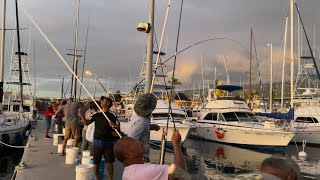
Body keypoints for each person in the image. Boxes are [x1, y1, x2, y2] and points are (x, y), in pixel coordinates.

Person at [114, 129, 186, 180]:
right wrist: (176, 144)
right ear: (129, 155)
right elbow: (179, 171)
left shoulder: (127, 172)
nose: (137, 141)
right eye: (133, 141)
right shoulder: (146, 171)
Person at [79, 96, 119, 180]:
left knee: (109, 161)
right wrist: (81, 115)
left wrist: (114, 125)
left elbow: (118, 128)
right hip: (97, 141)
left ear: (108, 103)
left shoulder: (112, 115)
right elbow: (87, 123)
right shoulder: (96, 114)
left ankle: (111, 178)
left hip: (108, 141)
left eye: (103, 101)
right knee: (96, 161)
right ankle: (96, 178)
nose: (101, 102)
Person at [128, 93, 160, 162]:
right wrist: (142, 158)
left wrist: (150, 126)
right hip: (140, 158)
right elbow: (130, 140)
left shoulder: (140, 117)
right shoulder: (141, 122)